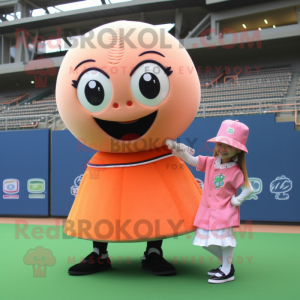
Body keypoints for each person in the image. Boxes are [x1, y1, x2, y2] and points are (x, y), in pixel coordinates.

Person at [166, 119, 253, 284]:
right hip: (207, 211)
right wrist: (178, 148)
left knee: (224, 241)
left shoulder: (235, 171)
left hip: (225, 212)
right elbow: (191, 160)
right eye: (220, 144)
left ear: (238, 150)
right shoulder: (211, 162)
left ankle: (227, 271)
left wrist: (237, 200)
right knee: (205, 243)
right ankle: (226, 265)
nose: (223, 149)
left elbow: (249, 189)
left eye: (229, 146)